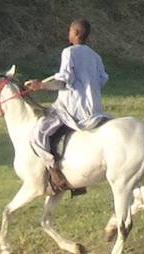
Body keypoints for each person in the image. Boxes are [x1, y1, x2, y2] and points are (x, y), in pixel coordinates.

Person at [25, 18, 110, 194]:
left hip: (72, 108)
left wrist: (41, 86)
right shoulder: (95, 56)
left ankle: (54, 172)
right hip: (95, 109)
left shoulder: (69, 52)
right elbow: (103, 79)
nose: (68, 34)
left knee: (37, 133)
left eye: (70, 31)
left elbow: (63, 81)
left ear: (77, 33)